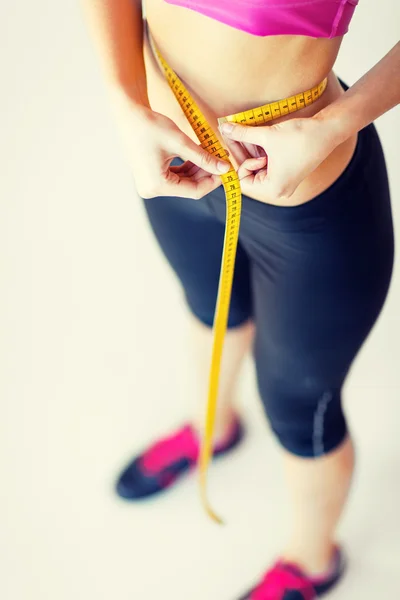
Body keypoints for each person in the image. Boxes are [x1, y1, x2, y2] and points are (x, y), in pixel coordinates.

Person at [81, 0, 399, 597]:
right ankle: (211, 428)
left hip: (305, 200)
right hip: (169, 159)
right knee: (209, 310)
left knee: (299, 408)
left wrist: (336, 123)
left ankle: (312, 560)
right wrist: (125, 102)